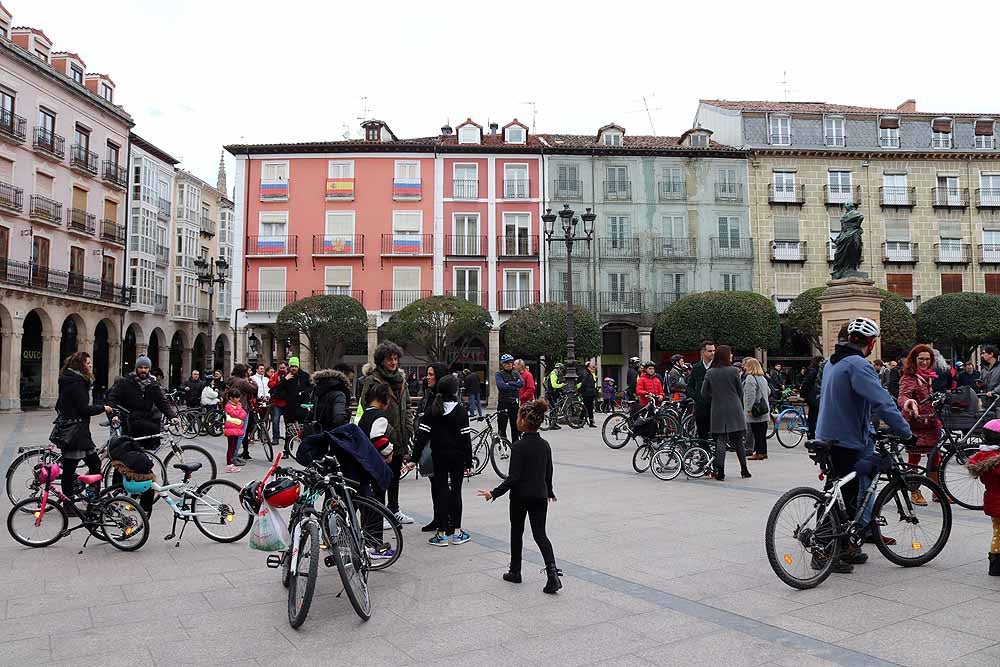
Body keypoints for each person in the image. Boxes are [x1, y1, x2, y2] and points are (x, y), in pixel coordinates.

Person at [815, 317, 914, 574]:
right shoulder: (858, 365)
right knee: (844, 497)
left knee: (836, 491)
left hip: (828, 434)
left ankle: (846, 544)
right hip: (846, 438)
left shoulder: (832, 362)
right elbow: (881, 401)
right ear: (870, 342)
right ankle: (825, 551)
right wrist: (905, 432)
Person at [477, 399, 561, 594]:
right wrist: (549, 491)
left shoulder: (518, 446)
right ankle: (552, 574)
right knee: (541, 535)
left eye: (517, 416)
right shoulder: (545, 445)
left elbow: (513, 478)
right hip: (540, 495)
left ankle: (515, 571)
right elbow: (549, 471)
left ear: (523, 420)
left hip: (520, 497)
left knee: (517, 532)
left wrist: (493, 493)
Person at [106, 355, 178, 513]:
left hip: (147, 426)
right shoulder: (125, 383)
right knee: (124, 462)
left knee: (143, 461)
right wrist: (113, 415)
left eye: (146, 368)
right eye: (141, 367)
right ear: (136, 368)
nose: (143, 370)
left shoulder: (153, 384)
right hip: (129, 425)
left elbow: (162, 402)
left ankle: (140, 493)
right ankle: (117, 491)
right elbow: (111, 399)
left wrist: (173, 416)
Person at [410, 373, 472, 547]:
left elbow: (421, 437)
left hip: (439, 457)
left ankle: (442, 533)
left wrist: (414, 459)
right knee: (456, 492)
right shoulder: (460, 410)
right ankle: (458, 532)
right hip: (458, 457)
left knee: (442, 492)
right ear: (455, 390)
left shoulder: (432, 410)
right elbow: (465, 438)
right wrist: (469, 461)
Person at [357, 341, 415, 526]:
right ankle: (379, 513)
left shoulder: (401, 380)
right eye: (390, 359)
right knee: (380, 477)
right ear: (381, 360)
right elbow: (368, 405)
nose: (393, 362)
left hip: (400, 436)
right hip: (381, 435)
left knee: (395, 476)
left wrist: (409, 427)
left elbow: (407, 406)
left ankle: (394, 509)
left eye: (396, 359)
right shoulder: (373, 380)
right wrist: (385, 427)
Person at [54, 352, 113, 499]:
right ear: (80, 365)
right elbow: (83, 409)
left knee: (94, 463)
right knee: (70, 469)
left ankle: (93, 497)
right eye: (87, 363)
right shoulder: (77, 383)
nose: (90, 365)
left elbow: (59, 405)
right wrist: (102, 408)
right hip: (75, 433)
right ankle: (69, 503)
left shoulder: (68, 380)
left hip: (77, 432)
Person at [897, 345, 944, 505]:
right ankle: (914, 491)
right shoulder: (908, 377)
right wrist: (909, 403)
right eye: (921, 359)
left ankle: (937, 492)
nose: (924, 362)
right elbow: (903, 396)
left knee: (936, 457)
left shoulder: (928, 376)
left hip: (930, 423)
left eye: (927, 359)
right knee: (914, 458)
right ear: (914, 360)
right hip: (915, 423)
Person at [702, 345, 750, 481]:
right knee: (738, 440)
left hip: (718, 408)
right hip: (734, 407)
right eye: (730, 354)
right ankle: (744, 469)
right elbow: (740, 391)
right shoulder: (734, 371)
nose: (732, 356)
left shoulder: (710, 372)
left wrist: (715, 397)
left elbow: (704, 393)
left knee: (721, 440)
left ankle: (720, 471)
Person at [968, 420, 1000, 575]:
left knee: (997, 532)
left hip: (991, 501)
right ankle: (996, 565)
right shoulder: (997, 461)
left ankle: (995, 565)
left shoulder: (983, 457)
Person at [226, 364, 258, 463]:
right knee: (240, 435)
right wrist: (254, 382)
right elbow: (253, 389)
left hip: (232, 408)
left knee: (233, 435)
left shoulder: (231, 380)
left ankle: (232, 456)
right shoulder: (242, 382)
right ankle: (233, 457)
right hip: (241, 409)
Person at [687, 341, 716, 440]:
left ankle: (716, 454)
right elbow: (690, 386)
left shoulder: (717, 366)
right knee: (702, 435)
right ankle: (703, 453)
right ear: (703, 352)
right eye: (710, 351)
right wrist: (697, 397)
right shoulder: (696, 367)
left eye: (714, 350)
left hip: (715, 406)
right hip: (701, 407)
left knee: (716, 435)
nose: (713, 353)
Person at [743, 358, 770, 461]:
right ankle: (764, 452)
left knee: (756, 432)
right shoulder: (762, 378)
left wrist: (749, 409)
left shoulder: (750, 378)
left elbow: (750, 395)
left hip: (755, 411)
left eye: (746, 365)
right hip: (764, 410)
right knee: (762, 433)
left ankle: (758, 452)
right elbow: (768, 391)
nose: (744, 367)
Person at [495, 354, 524, 441]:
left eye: (511, 362)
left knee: (515, 426)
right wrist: (515, 384)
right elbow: (501, 386)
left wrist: (509, 383)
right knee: (502, 426)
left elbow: (521, 384)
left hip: (514, 403)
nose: (510, 364)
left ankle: (515, 446)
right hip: (503, 402)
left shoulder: (516, 373)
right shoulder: (499, 374)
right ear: (502, 364)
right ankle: (502, 444)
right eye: (507, 363)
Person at [799, 355, 824, 440]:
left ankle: (812, 434)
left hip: (811, 396)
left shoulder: (814, 370)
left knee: (813, 416)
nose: (822, 363)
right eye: (821, 361)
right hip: (812, 396)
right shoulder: (814, 371)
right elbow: (806, 383)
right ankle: (811, 435)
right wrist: (803, 395)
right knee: (813, 417)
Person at [222, 389, 247, 473]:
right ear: (231, 398)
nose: (238, 400)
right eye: (236, 398)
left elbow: (244, 414)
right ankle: (229, 465)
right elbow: (235, 414)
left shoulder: (238, 405)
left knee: (234, 447)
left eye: (238, 398)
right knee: (231, 448)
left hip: (237, 429)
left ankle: (232, 464)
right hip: (231, 429)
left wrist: (239, 410)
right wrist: (239, 410)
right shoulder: (228, 406)